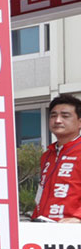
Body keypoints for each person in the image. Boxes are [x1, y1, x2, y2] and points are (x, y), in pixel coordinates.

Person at [33, 94, 81, 222]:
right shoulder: (47, 155)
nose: (57, 120)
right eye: (53, 116)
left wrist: (78, 218)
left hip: (73, 231)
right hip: (45, 228)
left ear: (79, 122)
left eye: (65, 116)